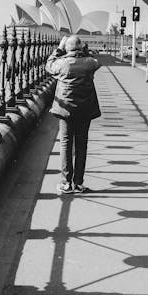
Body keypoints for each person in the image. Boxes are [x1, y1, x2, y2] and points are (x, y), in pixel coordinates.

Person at [46, 35, 101, 194]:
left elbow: (48, 65)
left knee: (66, 144)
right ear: (81, 47)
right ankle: (78, 183)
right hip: (85, 110)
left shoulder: (61, 64)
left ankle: (66, 183)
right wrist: (83, 50)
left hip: (66, 110)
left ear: (67, 48)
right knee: (82, 145)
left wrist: (59, 49)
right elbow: (95, 60)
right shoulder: (90, 63)